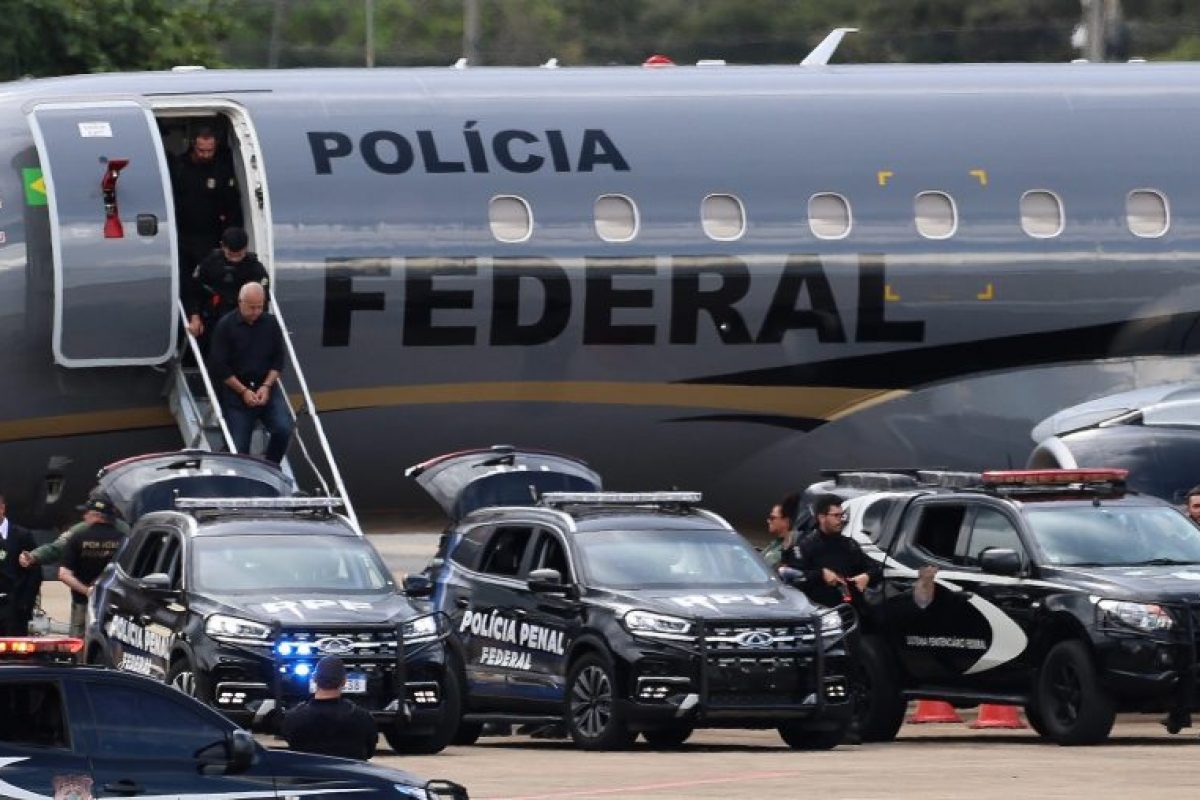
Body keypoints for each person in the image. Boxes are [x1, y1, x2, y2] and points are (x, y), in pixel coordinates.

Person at [208, 282, 294, 463]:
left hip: (265, 387)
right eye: (251, 307)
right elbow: (220, 367)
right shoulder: (225, 326)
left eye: (259, 307)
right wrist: (243, 391)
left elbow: (278, 360)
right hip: (237, 393)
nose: (256, 312)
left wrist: (267, 386)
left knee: (284, 429)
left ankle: (271, 465)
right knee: (240, 448)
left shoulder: (270, 324)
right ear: (241, 303)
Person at [170, 125, 243, 284]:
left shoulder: (221, 169)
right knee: (184, 277)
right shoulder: (179, 167)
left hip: (210, 235)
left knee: (209, 278)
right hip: (183, 234)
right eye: (201, 150)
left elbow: (231, 204)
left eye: (210, 150)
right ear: (193, 146)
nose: (206, 155)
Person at [784, 494, 881, 610]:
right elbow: (793, 580)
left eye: (842, 515)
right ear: (821, 517)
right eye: (836, 515)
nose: (840, 520)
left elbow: (876, 569)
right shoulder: (806, 545)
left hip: (847, 612)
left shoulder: (849, 545)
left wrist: (866, 576)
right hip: (819, 612)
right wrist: (821, 574)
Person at [282, 656, 378, 760]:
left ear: (314, 678)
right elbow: (369, 752)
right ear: (344, 681)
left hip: (308, 775)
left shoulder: (293, 718)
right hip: (348, 775)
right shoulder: (363, 718)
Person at [185, 226, 270, 340]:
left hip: (244, 321)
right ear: (222, 246)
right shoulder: (210, 263)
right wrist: (195, 317)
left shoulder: (255, 269)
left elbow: (262, 301)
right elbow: (194, 291)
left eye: (239, 255)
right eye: (230, 255)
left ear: (245, 248)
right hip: (213, 318)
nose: (234, 259)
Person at [58, 496, 126, 637]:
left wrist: (88, 591)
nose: (84, 516)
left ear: (96, 515)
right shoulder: (124, 539)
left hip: (82, 604)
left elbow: (63, 574)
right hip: (114, 607)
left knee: (78, 644)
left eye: (87, 513)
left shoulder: (77, 537)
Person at [0, 493, 40, 635]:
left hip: (14, 606)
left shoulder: (22, 535)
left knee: (15, 654)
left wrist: (26, 603)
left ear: (2, 508)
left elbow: (35, 572)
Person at [761, 492, 799, 570]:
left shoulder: (789, 550)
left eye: (772, 518)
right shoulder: (776, 543)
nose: (768, 521)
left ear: (786, 521)